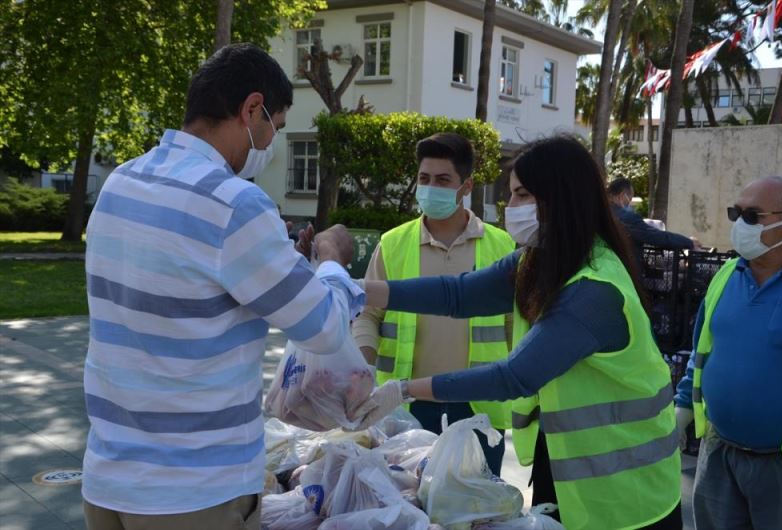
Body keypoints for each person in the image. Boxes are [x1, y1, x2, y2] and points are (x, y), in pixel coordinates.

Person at [81, 43, 364, 530]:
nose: (270, 143)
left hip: (108, 479)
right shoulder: (233, 203)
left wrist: (278, 267)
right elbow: (324, 329)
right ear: (250, 109)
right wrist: (332, 264)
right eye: (273, 125)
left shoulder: (121, 181)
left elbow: (181, 285)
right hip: (194, 491)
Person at [351, 135, 682, 530]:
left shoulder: (594, 289)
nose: (512, 208)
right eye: (512, 195)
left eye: (523, 195)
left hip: (627, 494)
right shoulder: (541, 259)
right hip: (566, 467)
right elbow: (460, 293)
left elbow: (512, 377)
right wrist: (357, 290)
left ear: (559, 197)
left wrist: (403, 389)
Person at [352, 133, 515, 475]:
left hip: (479, 409)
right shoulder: (392, 244)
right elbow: (367, 315)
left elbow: (516, 326)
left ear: (466, 186)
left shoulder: (502, 247)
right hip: (403, 407)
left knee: (474, 517)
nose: (430, 188)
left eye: (443, 180)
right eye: (424, 179)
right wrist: (363, 369)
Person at [674, 176, 782, 530]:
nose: (738, 224)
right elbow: (701, 351)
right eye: (736, 213)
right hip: (718, 454)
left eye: (751, 215)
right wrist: (683, 407)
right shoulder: (726, 276)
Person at [607, 177, 700, 252]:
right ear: (622, 196)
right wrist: (689, 242)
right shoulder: (626, 218)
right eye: (629, 200)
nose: (629, 205)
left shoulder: (600, 212)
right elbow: (657, 237)